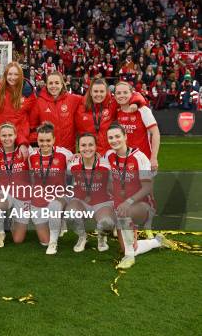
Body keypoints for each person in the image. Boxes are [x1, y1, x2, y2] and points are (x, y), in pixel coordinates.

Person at [104, 124, 173, 269]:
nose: (114, 140)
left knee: (124, 213)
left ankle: (129, 258)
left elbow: (147, 187)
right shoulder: (109, 155)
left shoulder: (139, 157)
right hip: (121, 204)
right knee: (129, 247)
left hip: (143, 204)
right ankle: (157, 241)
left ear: (125, 137)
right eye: (110, 137)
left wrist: (128, 202)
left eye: (117, 136)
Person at [27, 122, 73, 255]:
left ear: (54, 139)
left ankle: (54, 243)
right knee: (43, 241)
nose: (45, 144)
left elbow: (79, 162)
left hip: (59, 196)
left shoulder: (65, 154)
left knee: (54, 206)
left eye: (48, 140)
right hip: (39, 197)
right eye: (41, 140)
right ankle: (53, 229)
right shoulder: (32, 156)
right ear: (37, 140)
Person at [65, 133, 115, 253]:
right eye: (83, 145)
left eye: (90, 145)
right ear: (78, 148)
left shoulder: (106, 165)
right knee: (70, 215)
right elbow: (67, 184)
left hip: (101, 203)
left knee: (107, 223)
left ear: (96, 146)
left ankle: (102, 237)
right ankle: (82, 237)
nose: (87, 148)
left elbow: (114, 187)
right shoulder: (72, 164)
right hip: (81, 201)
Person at [75, 78, 145, 155]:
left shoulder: (112, 104)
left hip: (109, 154)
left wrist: (136, 102)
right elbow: (80, 134)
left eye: (102, 91)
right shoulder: (80, 106)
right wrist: (80, 151)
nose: (99, 94)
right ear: (91, 92)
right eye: (95, 91)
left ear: (106, 92)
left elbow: (134, 94)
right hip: (90, 154)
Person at [0, 123, 30, 248]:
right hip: (4, 191)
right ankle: (1, 232)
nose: (7, 138)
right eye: (4, 136)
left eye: (10, 135)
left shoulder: (25, 151)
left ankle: (13, 220)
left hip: (22, 193)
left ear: (16, 136)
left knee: (18, 239)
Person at [114, 81, 161, 170]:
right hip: (123, 161)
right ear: (115, 96)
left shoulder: (143, 110)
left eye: (125, 92)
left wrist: (154, 158)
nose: (121, 95)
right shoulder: (116, 111)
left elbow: (155, 133)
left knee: (145, 184)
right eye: (118, 93)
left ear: (131, 94)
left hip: (143, 161)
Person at [31, 72, 82, 152]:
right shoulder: (39, 102)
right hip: (48, 151)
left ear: (62, 84)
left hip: (68, 151)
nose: (53, 86)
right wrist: (36, 143)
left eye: (57, 83)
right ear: (46, 85)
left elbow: (90, 99)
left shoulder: (73, 99)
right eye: (50, 83)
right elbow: (33, 127)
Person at [0, 61, 36, 145]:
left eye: (16, 74)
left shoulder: (28, 93)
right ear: (5, 75)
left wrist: (26, 140)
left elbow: (33, 119)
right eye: (10, 74)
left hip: (20, 140)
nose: (13, 77)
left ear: (21, 75)